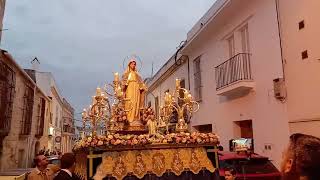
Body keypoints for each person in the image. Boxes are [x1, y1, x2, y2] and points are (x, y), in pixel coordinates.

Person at [121, 60, 147, 126]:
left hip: (136, 89)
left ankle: (136, 117)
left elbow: (141, 83)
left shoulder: (137, 74)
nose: (133, 65)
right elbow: (123, 83)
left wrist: (142, 87)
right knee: (130, 101)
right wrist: (124, 85)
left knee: (136, 102)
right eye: (132, 64)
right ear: (129, 65)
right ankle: (129, 118)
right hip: (129, 88)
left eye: (134, 64)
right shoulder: (126, 74)